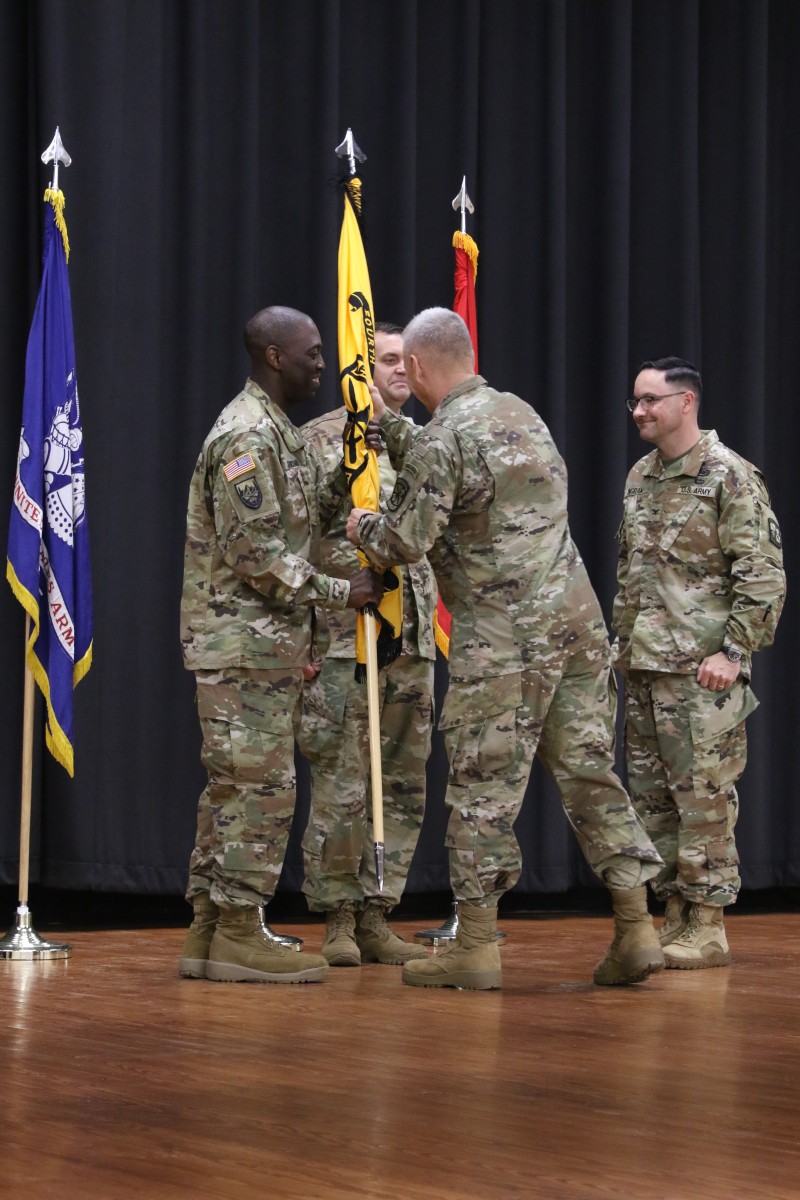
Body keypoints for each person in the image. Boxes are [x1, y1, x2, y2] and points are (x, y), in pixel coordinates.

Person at [346, 306, 665, 991]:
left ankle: (478, 944)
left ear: (422, 367)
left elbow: (407, 541)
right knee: (589, 776)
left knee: (483, 787)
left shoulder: (443, 438)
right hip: (576, 626)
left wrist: (362, 525)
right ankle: (637, 926)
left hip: (504, 638)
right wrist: (396, 431)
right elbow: (472, 476)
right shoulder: (522, 413)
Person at [179, 305, 384, 984]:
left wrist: (351, 460)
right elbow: (256, 555)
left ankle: (210, 931)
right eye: (313, 353)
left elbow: (300, 521)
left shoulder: (282, 437)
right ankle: (239, 931)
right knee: (260, 789)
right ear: (273, 355)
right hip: (241, 644)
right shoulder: (245, 437)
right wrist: (338, 594)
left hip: (263, 644)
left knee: (232, 789)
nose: (323, 364)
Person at [614, 357, 785, 969]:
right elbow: (630, 572)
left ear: (686, 403)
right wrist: (621, 648)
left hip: (701, 673)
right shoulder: (641, 476)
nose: (639, 411)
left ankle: (708, 923)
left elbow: (762, 576)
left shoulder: (728, 476)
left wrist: (734, 652)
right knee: (654, 801)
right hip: (645, 667)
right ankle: (676, 914)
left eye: (651, 400)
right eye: (634, 400)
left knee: (703, 800)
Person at [298, 323, 435, 967]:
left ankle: (380, 912)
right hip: (342, 636)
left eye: (407, 360)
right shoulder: (321, 438)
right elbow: (291, 538)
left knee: (402, 780)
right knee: (342, 780)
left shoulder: (429, 442)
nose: (400, 371)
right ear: (361, 366)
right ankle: (338, 919)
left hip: (409, 632)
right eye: (385, 360)